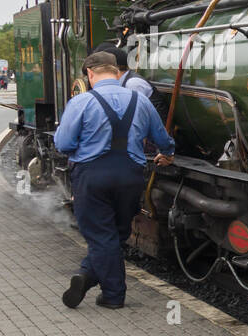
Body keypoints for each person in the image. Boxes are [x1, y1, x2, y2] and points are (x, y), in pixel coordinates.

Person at [54, 50, 175, 309]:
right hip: (130, 176)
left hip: (92, 177)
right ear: (117, 71)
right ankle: (86, 275)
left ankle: (113, 295)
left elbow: (63, 144)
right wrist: (168, 154)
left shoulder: (81, 102)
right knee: (116, 233)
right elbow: (162, 139)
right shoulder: (140, 100)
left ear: (89, 73)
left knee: (101, 236)